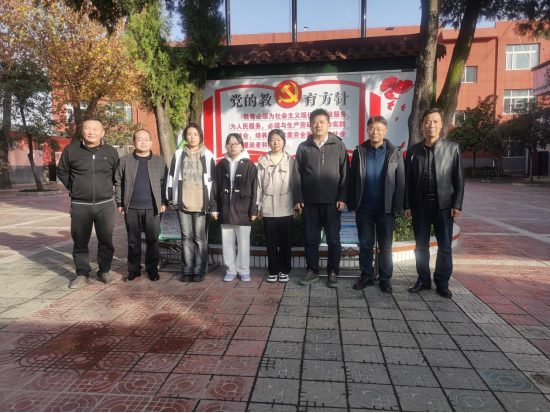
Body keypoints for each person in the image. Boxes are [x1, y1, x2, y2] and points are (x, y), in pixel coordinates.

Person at [404, 108, 465, 298]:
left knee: (445, 246)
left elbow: (459, 179)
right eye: (427, 122)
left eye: (435, 121)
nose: (431, 125)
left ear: (441, 125)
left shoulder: (452, 148)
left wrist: (457, 204)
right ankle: (423, 280)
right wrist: (407, 204)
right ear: (422, 125)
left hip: (443, 206)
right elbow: (407, 181)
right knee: (421, 245)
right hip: (420, 205)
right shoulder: (413, 151)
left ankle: (442, 283)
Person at [57, 116, 119, 289]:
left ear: (102, 132)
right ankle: (82, 274)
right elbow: (62, 171)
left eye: (95, 129)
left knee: (106, 240)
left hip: (105, 204)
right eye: (87, 128)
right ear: (82, 130)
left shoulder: (111, 152)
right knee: (80, 241)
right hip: (80, 205)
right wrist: (74, 187)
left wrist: (105, 188)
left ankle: (104, 271)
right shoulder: (71, 150)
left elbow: (116, 174)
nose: (91, 132)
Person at [292, 108, 350, 288]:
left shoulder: (338, 145)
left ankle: (333, 271)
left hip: (332, 202)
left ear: (329, 124)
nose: (318, 125)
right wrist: (298, 198)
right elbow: (296, 175)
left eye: (322, 122)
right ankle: (312, 270)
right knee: (311, 239)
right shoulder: (303, 147)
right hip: (309, 202)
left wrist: (342, 197)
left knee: (333, 239)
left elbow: (345, 173)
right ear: (310, 125)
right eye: (315, 122)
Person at [348, 116, 405, 293]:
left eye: (379, 129)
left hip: (385, 208)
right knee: (365, 245)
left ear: (385, 131)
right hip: (364, 207)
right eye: (372, 128)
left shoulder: (394, 152)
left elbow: (401, 181)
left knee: (385, 247)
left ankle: (385, 278)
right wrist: (352, 203)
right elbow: (352, 179)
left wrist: (397, 206)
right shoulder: (359, 151)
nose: (375, 132)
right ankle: (367, 276)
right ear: (367, 130)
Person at [115, 129, 167, 282]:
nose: (143, 142)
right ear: (133, 142)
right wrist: (120, 202)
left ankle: (152, 269)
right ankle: (134, 270)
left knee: (153, 240)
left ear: (151, 142)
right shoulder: (125, 160)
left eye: (146, 139)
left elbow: (164, 183)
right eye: (139, 139)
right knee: (133, 240)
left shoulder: (159, 161)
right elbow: (118, 182)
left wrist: (163, 202)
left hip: (152, 207)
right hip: (131, 207)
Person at [167, 123, 216, 283]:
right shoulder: (179, 154)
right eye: (189, 134)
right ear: (185, 137)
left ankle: (199, 270)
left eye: (195, 134)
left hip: (201, 203)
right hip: (183, 202)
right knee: (186, 237)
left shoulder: (208, 155)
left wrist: (212, 202)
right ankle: (187, 270)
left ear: (200, 136)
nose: (192, 137)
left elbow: (214, 182)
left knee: (200, 238)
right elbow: (171, 176)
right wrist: (171, 198)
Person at [212, 133, 258, 282]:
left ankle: (244, 270)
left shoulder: (249, 165)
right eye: (230, 143)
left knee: (244, 242)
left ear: (242, 146)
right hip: (225, 207)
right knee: (227, 241)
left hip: (243, 208)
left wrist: (254, 209)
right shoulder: (221, 164)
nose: (233, 146)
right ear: (226, 146)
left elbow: (255, 188)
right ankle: (230, 270)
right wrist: (214, 208)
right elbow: (215, 187)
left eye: (236, 143)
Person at [257, 129, 297, 283]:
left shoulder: (291, 161)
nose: (275, 143)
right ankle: (273, 270)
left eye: (279, 139)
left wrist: (295, 206)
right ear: (268, 142)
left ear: (284, 142)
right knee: (271, 242)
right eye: (272, 139)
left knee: (286, 242)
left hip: (286, 206)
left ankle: (284, 270)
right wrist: (258, 206)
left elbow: (295, 184)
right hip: (268, 207)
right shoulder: (262, 161)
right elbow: (258, 186)